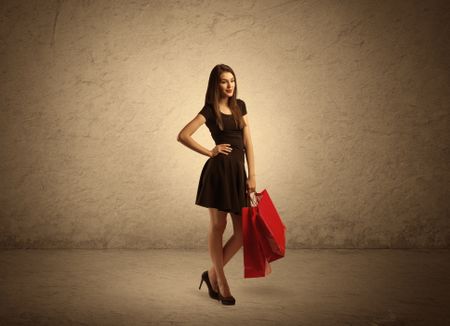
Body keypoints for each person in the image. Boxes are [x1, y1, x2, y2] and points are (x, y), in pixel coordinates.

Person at [177, 64, 256, 305]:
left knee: (242, 234)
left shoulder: (239, 106)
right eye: (224, 81)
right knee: (218, 226)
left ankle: (210, 274)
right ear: (216, 84)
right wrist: (210, 152)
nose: (229, 85)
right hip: (218, 173)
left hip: (237, 174)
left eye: (232, 80)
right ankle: (221, 281)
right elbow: (183, 135)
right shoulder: (210, 110)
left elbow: (248, 144)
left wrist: (252, 176)